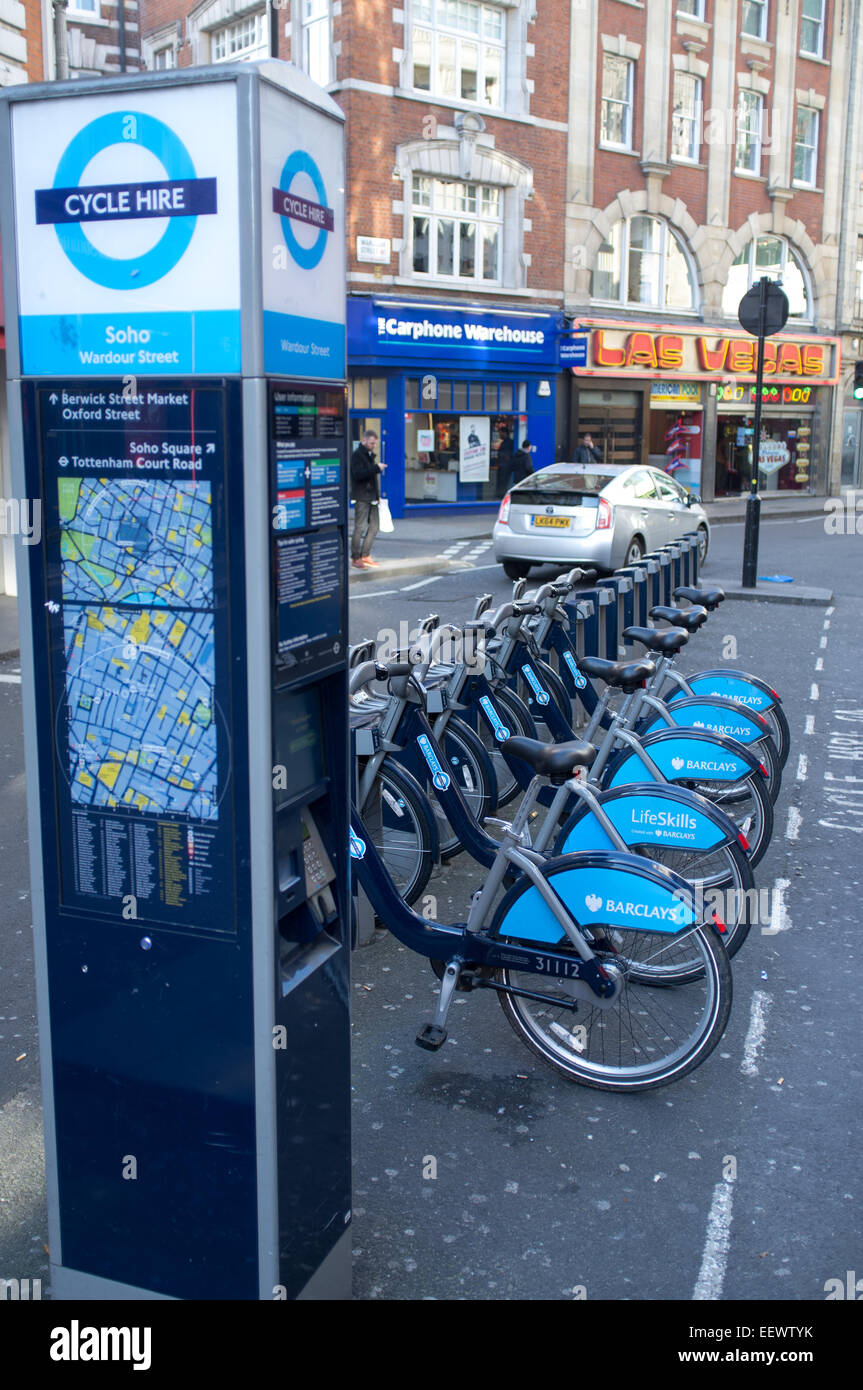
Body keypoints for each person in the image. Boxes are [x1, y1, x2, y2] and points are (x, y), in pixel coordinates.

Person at [350, 430, 385, 568]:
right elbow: (359, 475)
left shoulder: (369, 455)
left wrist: (377, 495)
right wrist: (377, 468)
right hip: (361, 497)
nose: (373, 446)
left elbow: (371, 478)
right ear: (364, 441)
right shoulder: (357, 456)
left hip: (372, 497)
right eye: (371, 443)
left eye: (375, 443)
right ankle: (356, 557)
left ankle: (365, 554)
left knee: (374, 527)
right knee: (360, 527)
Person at [496, 424, 515, 496]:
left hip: (505, 467)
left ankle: (501, 496)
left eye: (500, 433)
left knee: (503, 483)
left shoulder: (508, 443)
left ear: (505, 433)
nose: (499, 435)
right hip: (503, 466)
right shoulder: (505, 442)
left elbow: (506, 455)